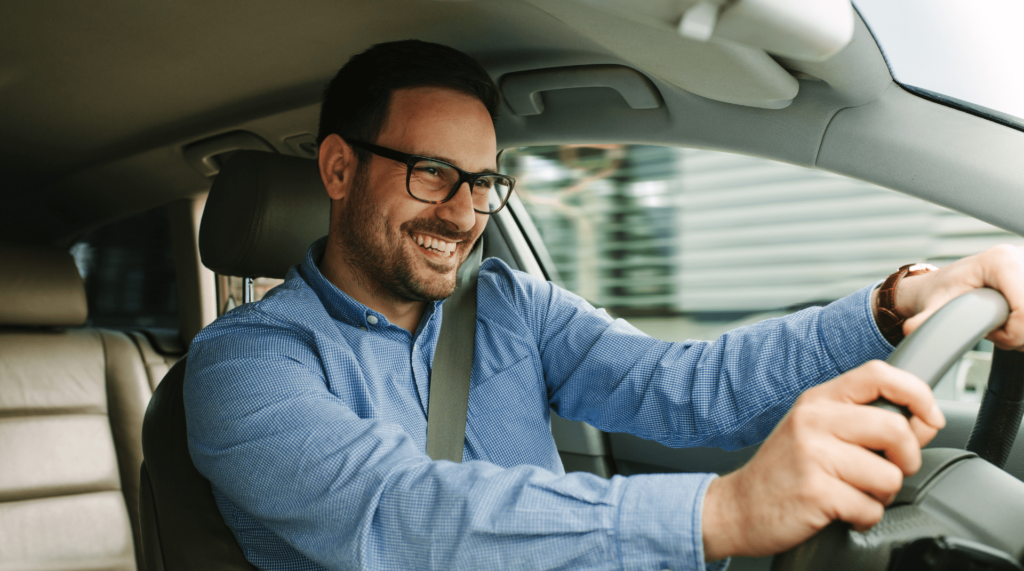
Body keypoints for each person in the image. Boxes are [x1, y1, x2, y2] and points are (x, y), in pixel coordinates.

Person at [183, 40, 1024, 570]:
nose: (461, 214)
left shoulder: (510, 308)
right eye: (432, 173)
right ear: (337, 170)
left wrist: (899, 299)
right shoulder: (243, 367)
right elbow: (401, 519)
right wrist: (721, 513)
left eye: (482, 184)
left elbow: (686, 387)